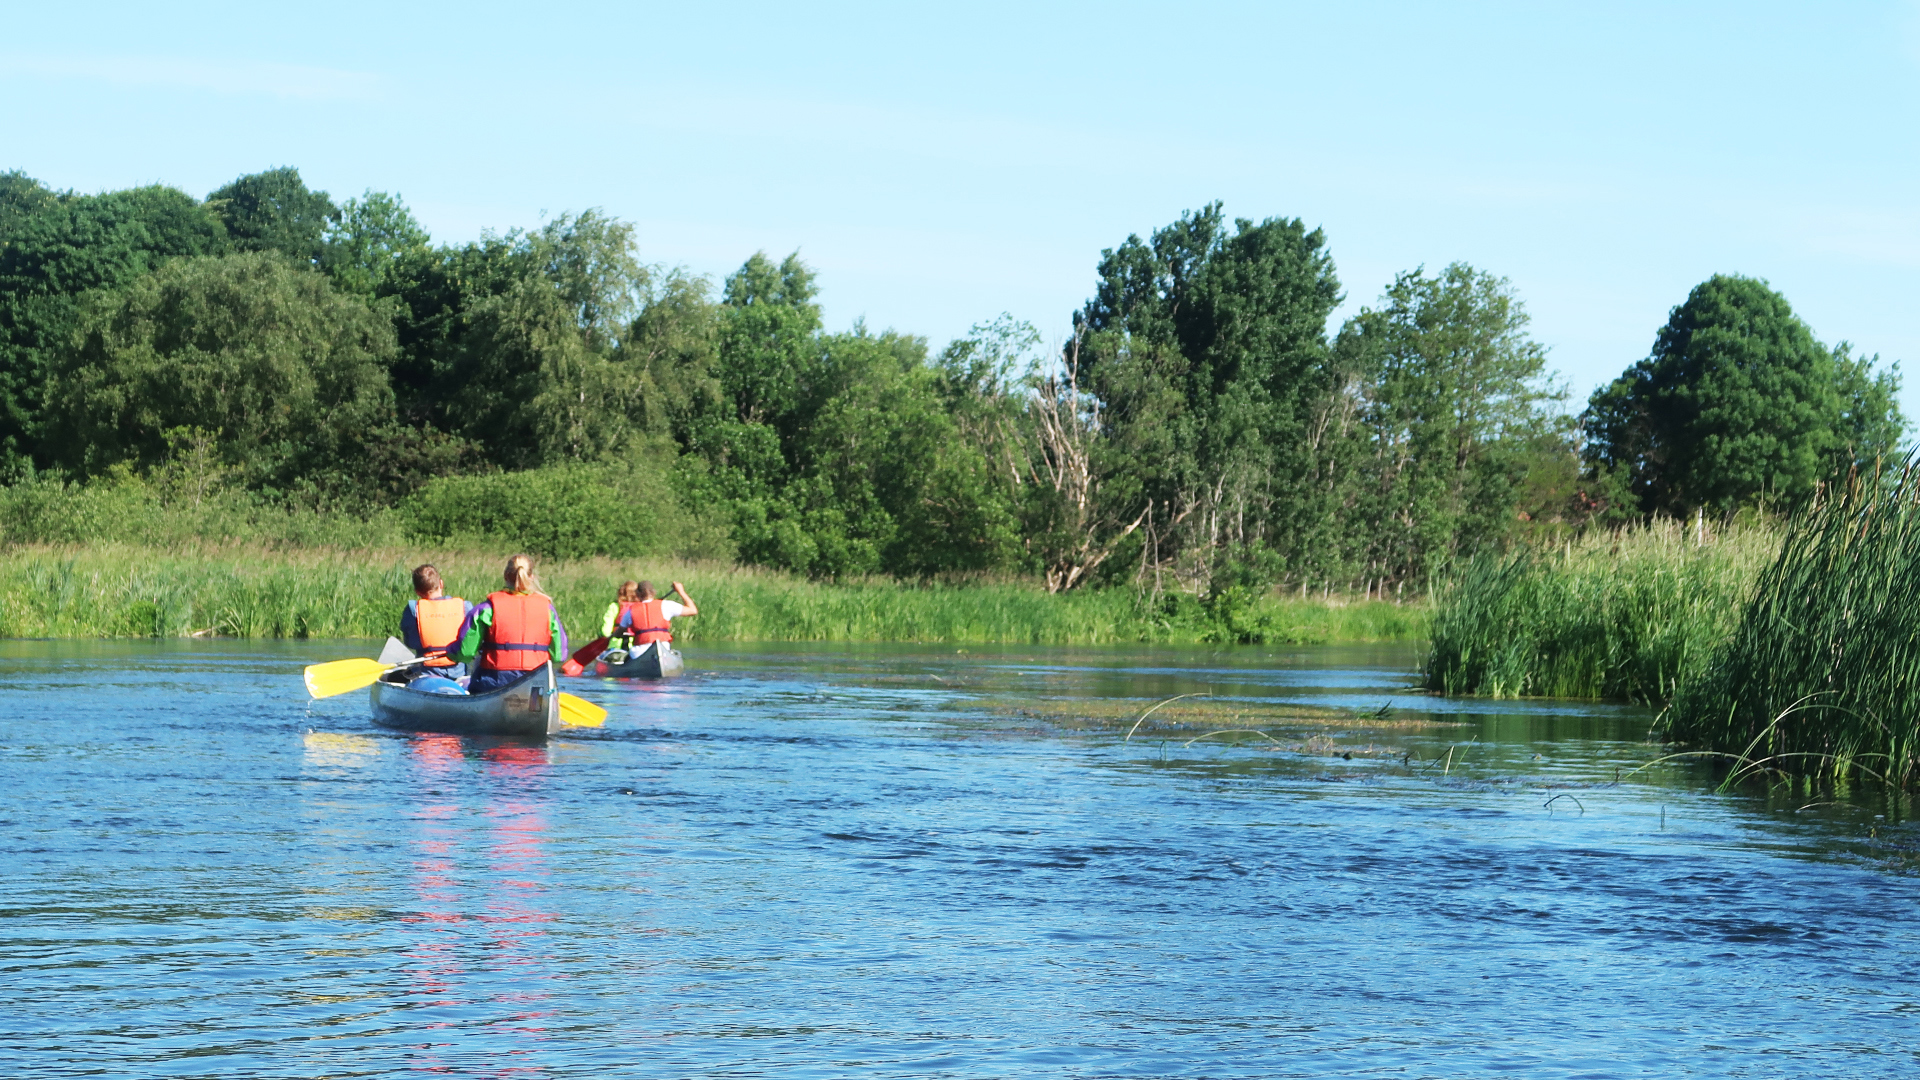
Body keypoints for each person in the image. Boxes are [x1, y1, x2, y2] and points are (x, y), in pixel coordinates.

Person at [448, 554, 570, 694]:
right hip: (535, 682)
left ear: (506, 576)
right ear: (531, 577)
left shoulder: (486, 609)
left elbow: (465, 653)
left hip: (494, 682)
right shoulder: (548, 610)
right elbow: (559, 655)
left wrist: (451, 652)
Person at [399, 564, 471, 681]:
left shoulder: (413, 610)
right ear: (441, 584)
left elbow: (411, 643)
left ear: (417, 592)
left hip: (426, 671)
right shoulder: (464, 607)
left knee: (393, 676)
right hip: (458, 672)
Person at [604, 580, 698, 651]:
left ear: (637, 594)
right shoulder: (666, 605)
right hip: (663, 647)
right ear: (654, 592)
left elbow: (618, 633)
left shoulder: (630, 611)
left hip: (639, 651)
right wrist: (681, 591)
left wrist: (612, 637)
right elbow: (693, 610)